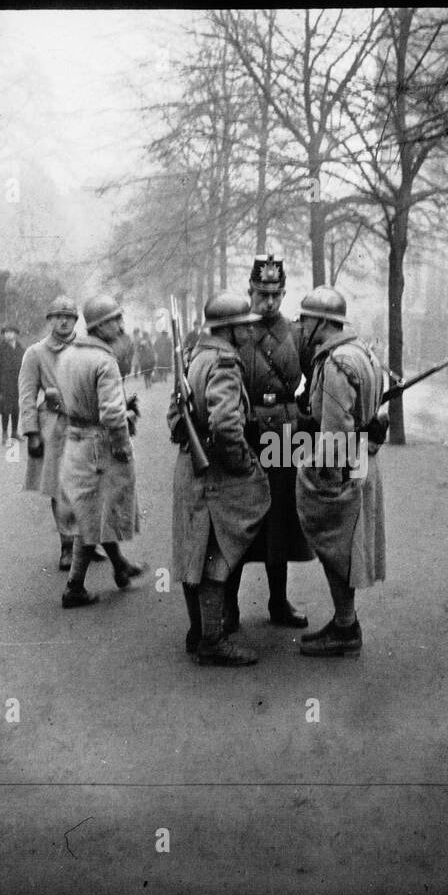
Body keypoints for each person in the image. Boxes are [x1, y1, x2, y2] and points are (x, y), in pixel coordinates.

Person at [168, 291, 273, 666]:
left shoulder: (195, 358)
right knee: (217, 551)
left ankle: (199, 631)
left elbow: (174, 420)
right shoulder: (225, 362)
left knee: (194, 549)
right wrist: (243, 463)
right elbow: (226, 424)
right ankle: (212, 640)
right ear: (230, 330)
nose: (250, 334)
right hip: (216, 473)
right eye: (244, 328)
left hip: (191, 469)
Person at [292, 287, 388, 657]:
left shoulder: (336, 363)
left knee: (335, 544)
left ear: (321, 322)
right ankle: (345, 622)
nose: (301, 326)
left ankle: (345, 627)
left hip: (343, 465)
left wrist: (321, 478)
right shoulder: (363, 353)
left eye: (305, 319)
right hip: (364, 459)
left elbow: (334, 434)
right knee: (344, 546)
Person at [226, 253, 315, 630]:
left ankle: (278, 602)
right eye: (261, 293)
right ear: (249, 291)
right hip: (245, 432)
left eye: (276, 294)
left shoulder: (295, 334)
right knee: (238, 519)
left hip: (283, 434)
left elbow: (315, 377)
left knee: (281, 517)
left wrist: (306, 417)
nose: (268, 302)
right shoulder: (234, 330)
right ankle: (228, 608)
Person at [54, 293, 149, 607]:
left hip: (75, 441)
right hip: (100, 445)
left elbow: (65, 398)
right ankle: (74, 587)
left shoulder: (68, 354)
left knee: (93, 510)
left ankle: (119, 566)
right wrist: (122, 445)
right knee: (93, 516)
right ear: (99, 326)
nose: (121, 326)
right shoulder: (105, 360)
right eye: (115, 321)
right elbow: (110, 414)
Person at [19, 295, 87, 572]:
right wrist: (32, 432)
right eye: (58, 316)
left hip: (84, 424)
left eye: (69, 316)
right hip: (54, 428)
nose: (63, 321)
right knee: (60, 488)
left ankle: (85, 542)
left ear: (75, 321)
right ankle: (66, 546)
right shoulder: (35, 353)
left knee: (87, 485)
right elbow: (26, 395)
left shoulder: (85, 349)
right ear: (49, 320)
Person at [0, 323, 25, 444]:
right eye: (6, 332)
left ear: (15, 334)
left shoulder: (21, 349)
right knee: (5, 409)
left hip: (17, 383)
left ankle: (14, 432)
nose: (8, 335)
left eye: (11, 332)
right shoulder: (0, 350)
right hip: (4, 384)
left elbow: (25, 367)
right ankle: (4, 433)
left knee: (16, 408)